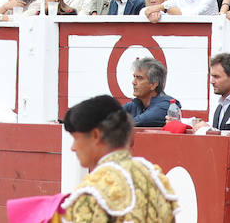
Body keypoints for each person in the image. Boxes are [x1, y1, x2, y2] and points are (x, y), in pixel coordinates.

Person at [53, 94, 179, 223]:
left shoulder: (93, 191)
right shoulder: (155, 178)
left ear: (96, 135)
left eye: (76, 138)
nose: (73, 148)